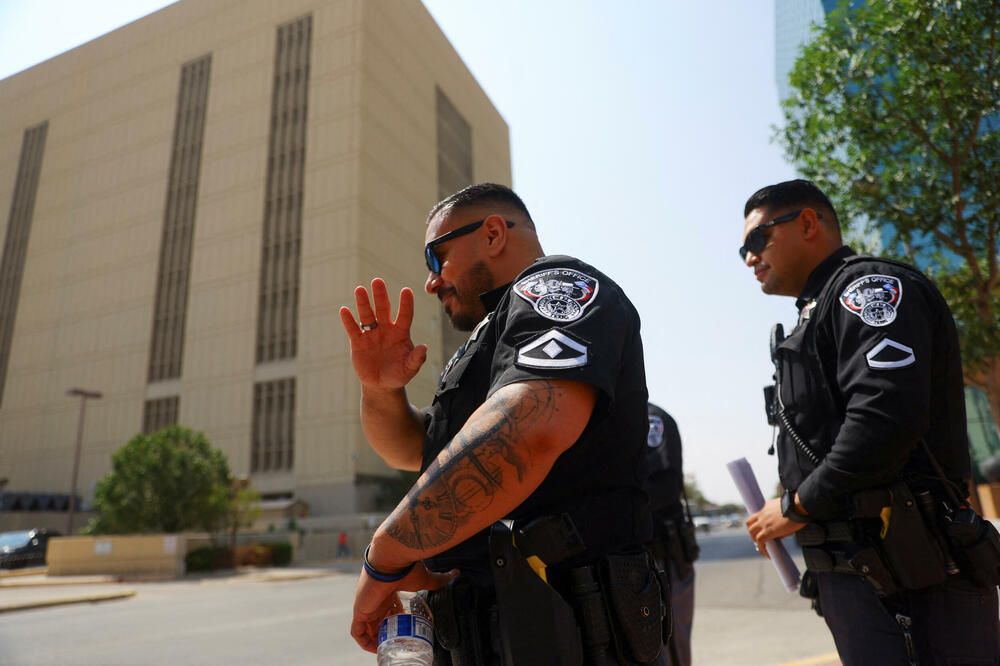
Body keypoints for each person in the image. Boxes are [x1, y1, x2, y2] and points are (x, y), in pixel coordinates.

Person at [341, 183, 669, 664]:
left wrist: (387, 554)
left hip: (570, 633)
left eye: (437, 258)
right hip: (491, 635)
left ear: (493, 233)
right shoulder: (489, 341)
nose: (431, 282)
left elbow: (530, 430)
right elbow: (411, 451)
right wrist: (379, 389)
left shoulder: (555, 287)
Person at [740, 179, 1000, 665]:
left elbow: (885, 419)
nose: (750, 258)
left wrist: (796, 505)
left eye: (757, 241)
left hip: (915, 573)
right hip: (860, 576)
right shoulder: (816, 312)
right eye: (743, 251)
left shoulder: (868, 289)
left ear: (808, 223)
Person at [645, 402, 698, 666]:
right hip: (629, 560)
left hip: (662, 554)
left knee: (671, 650)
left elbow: (664, 487)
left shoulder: (651, 418)